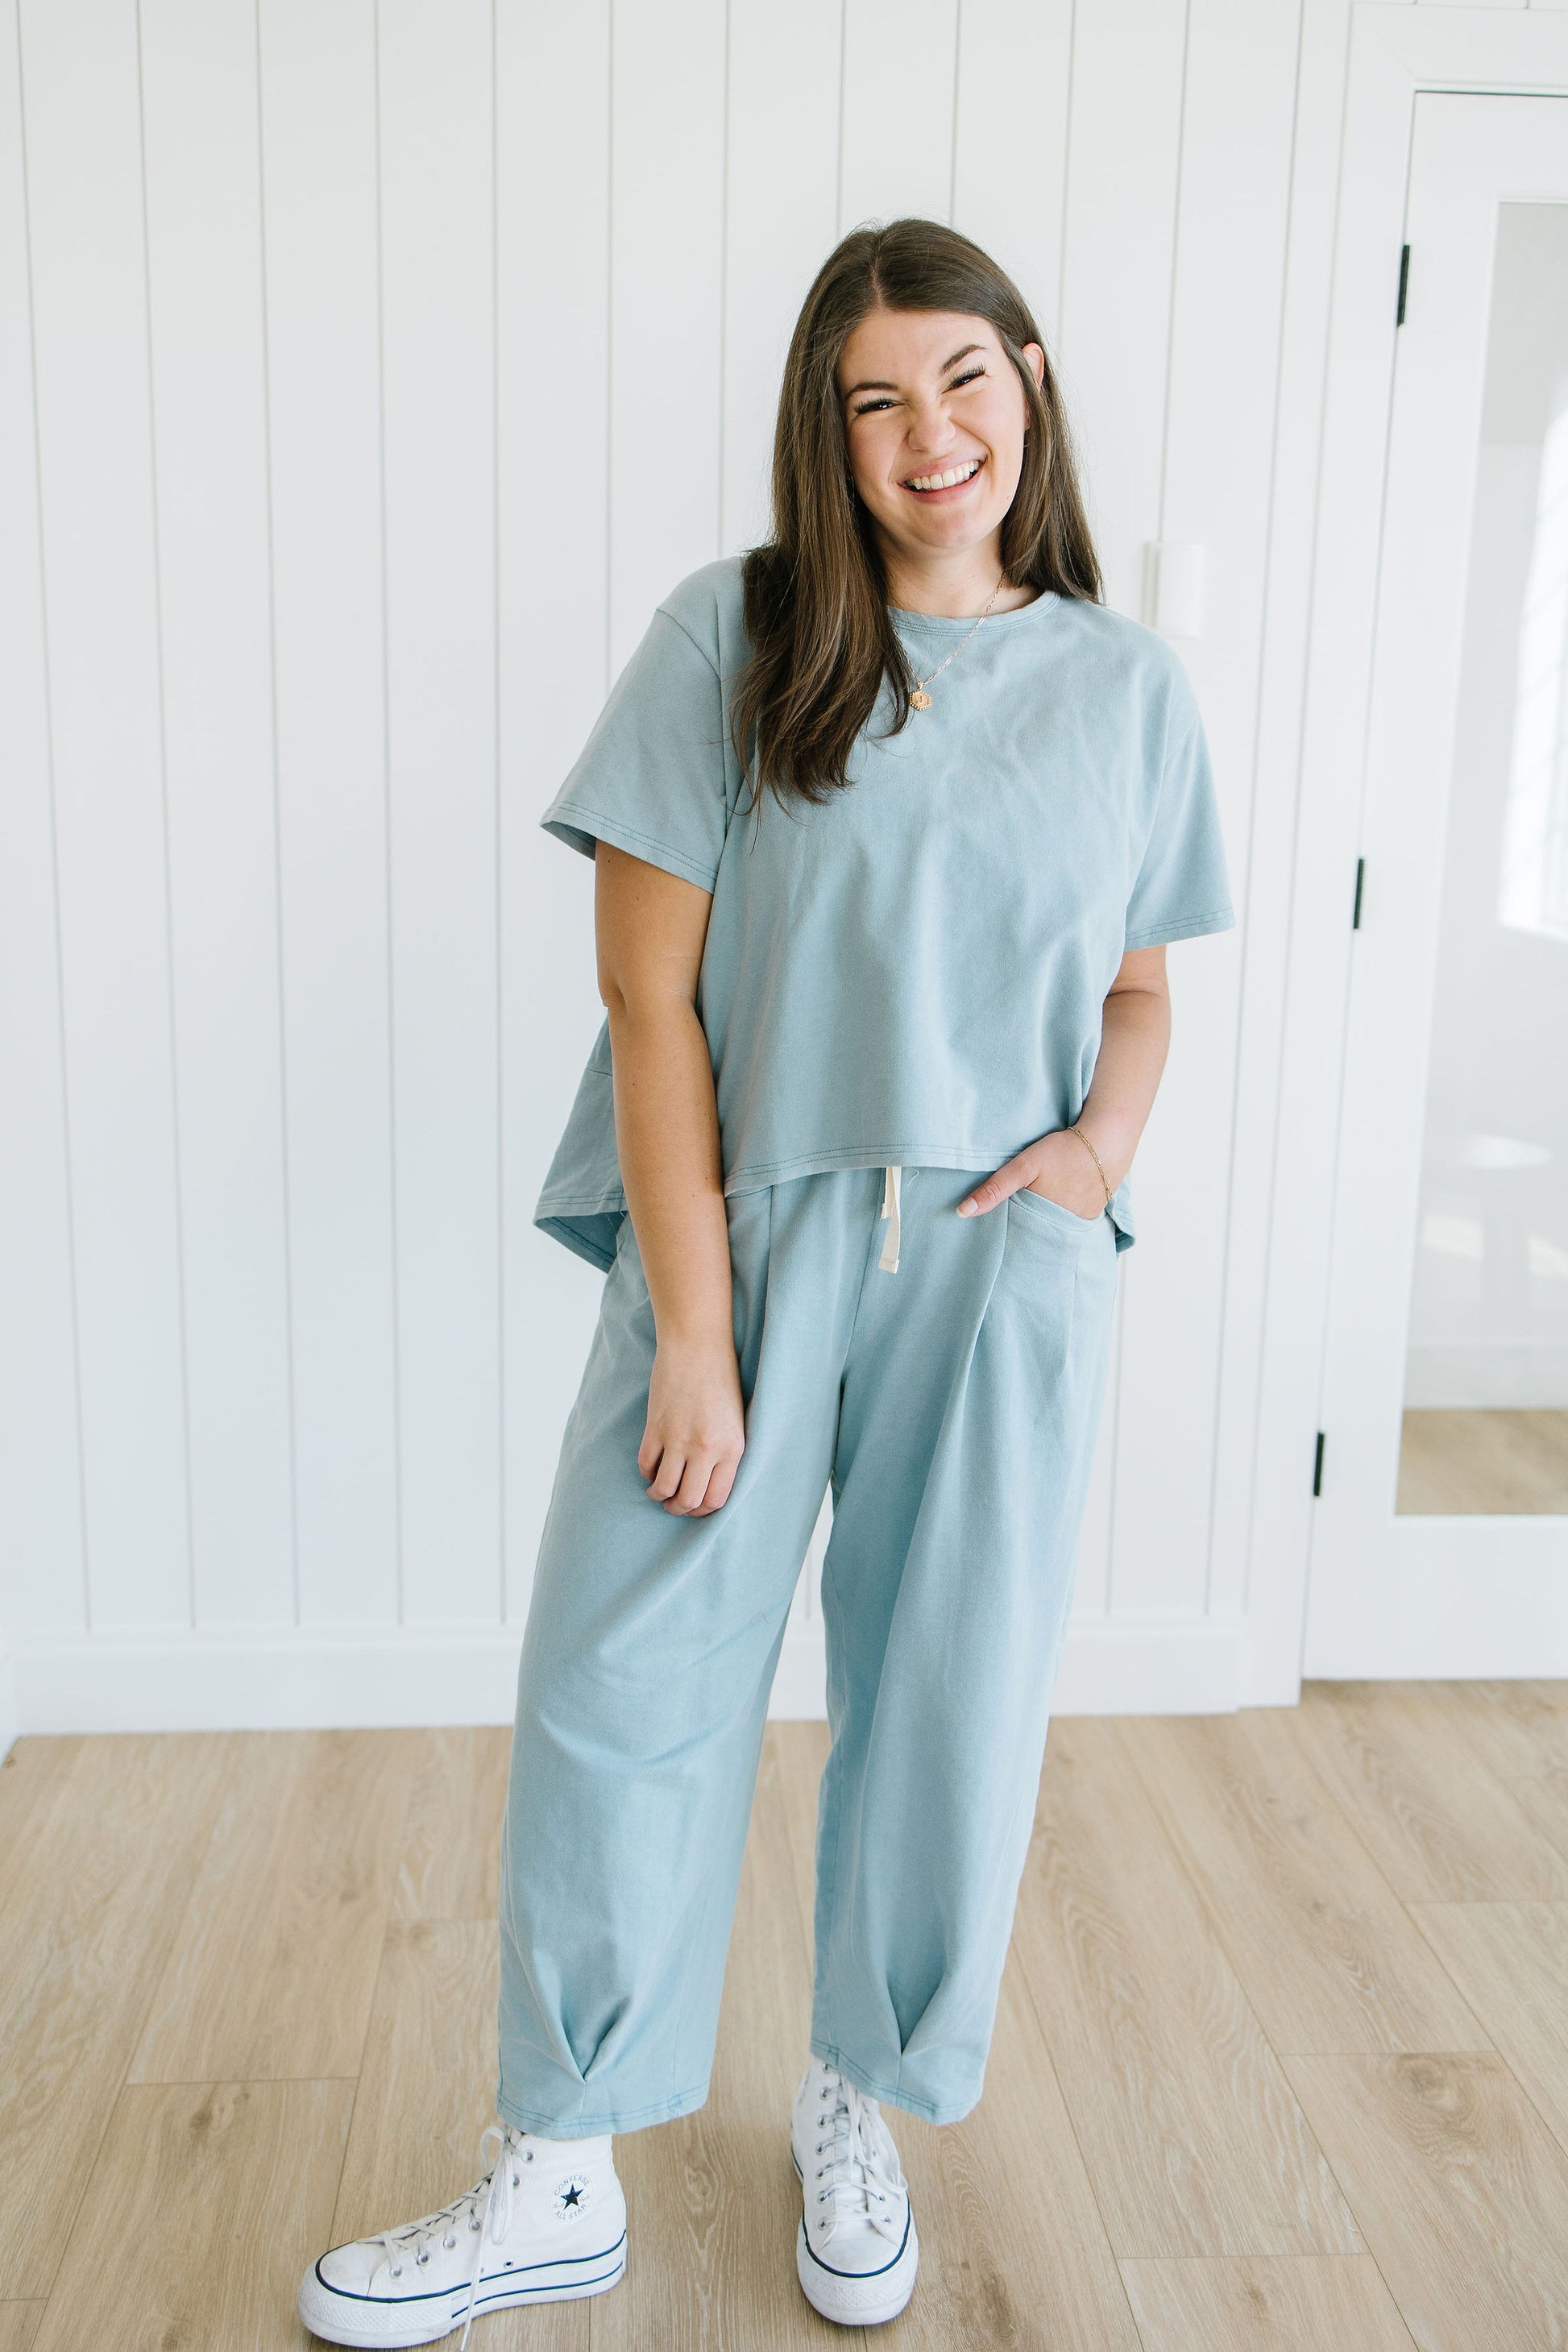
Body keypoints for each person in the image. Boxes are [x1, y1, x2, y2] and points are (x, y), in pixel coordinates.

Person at [298, 216, 1233, 2347]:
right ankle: (553, 2167)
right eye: (874, 398)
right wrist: (696, 1335)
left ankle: (853, 2100)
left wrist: (1092, 1158)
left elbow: (1140, 993)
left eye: (964, 379)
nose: (930, 435)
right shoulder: (730, 641)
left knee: (947, 1698)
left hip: (1000, 1264)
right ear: (829, 432)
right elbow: (648, 1012)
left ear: (1030, 387)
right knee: (622, 1680)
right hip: (748, 1228)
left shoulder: (1122, 686)